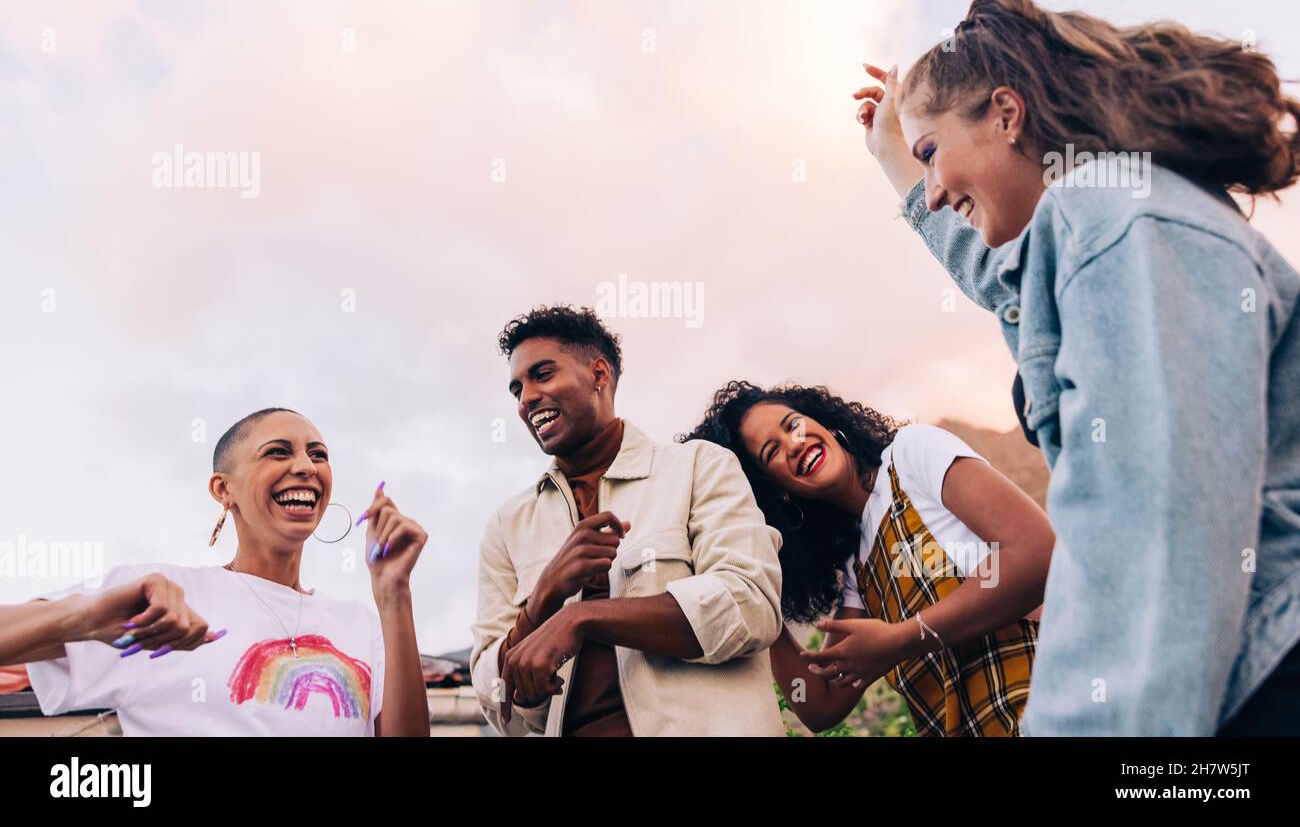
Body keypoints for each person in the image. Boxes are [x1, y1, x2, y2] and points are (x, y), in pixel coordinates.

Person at [855, 0, 1300, 735]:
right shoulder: (1107, 216)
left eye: (933, 154)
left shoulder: (1111, 218)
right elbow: (1008, 280)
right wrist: (894, 160)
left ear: (1006, 112)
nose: (931, 195)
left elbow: (1153, 528)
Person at [7, 407, 430, 736]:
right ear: (223, 489)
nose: (307, 466)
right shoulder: (162, 597)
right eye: (279, 451)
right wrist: (84, 617)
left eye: (318, 455)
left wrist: (394, 592)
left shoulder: (360, 623)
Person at [470, 305, 785, 736]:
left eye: (542, 375)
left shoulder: (697, 467)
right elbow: (496, 703)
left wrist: (582, 617)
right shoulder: (507, 526)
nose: (526, 399)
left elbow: (750, 605)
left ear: (599, 375)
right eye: (516, 389)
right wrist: (544, 597)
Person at [681, 381, 1052, 735]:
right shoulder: (859, 569)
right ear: (775, 493)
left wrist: (903, 638)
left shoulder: (911, 456)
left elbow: (1036, 552)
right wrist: (755, 589)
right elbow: (819, 703)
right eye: (772, 451)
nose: (793, 444)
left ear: (822, 420)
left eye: (792, 424)